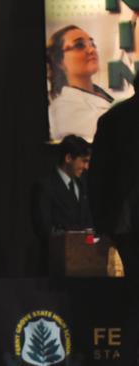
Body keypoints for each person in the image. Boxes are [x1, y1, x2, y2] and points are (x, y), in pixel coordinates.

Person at [88, 74, 139, 280]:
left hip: (124, 222)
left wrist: (102, 226)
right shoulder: (113, 121)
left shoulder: (111, 119)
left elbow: (97, 178)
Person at [46, 25, 113, 142]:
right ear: (59, 61)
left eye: (92, 44)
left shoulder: (100, 95)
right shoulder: (64, 110)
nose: (91, 50)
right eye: (79, 45)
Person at [31, 135, 94, 246]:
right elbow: (44, 230)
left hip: (84, 258)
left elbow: (88, 224)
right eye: (84, 161)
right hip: (57, 258)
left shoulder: (83, 186)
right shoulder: (45, 187)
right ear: (68, 158)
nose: (86, 167)